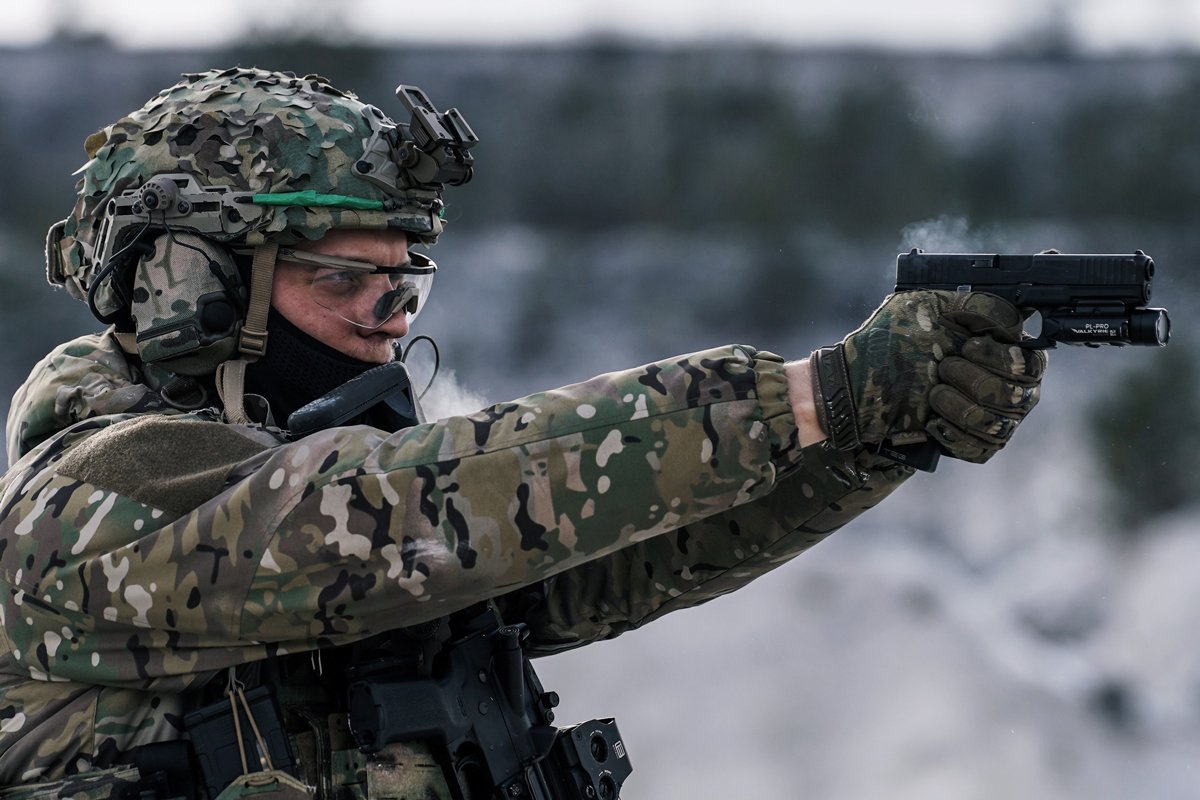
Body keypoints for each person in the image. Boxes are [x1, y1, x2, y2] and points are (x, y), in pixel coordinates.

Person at [0, 67, 1045, 798]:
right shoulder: (98, 499)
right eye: (345, 279)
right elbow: (404, 508)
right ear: (192, 287)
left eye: (407, 282)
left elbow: (607, 560)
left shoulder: (347, 514)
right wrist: (809, 395)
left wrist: (866, 439)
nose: (391, 318)